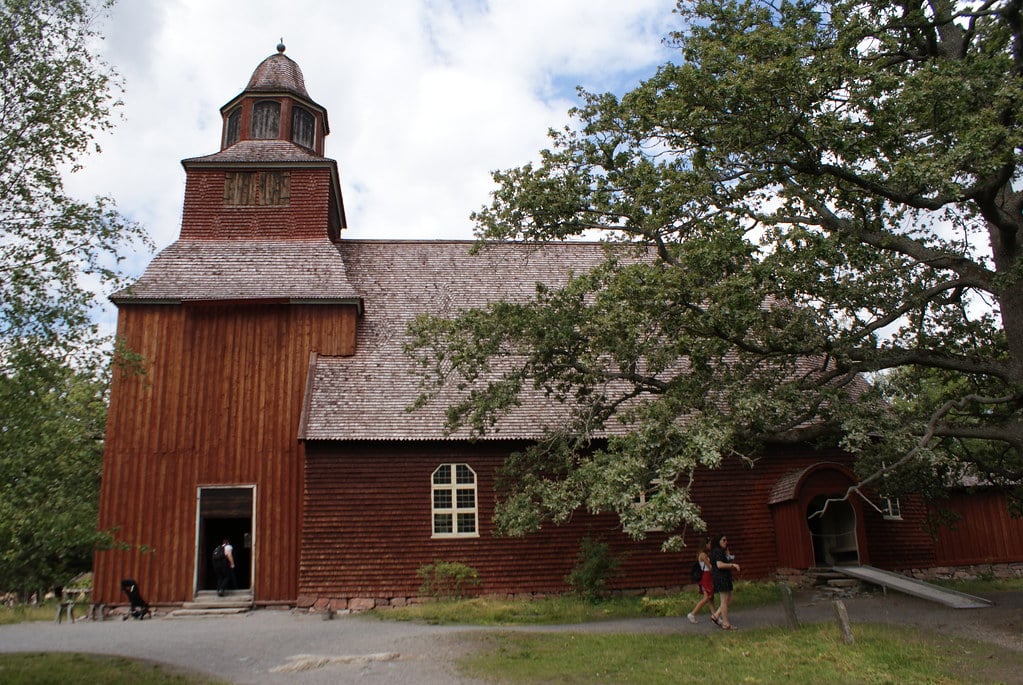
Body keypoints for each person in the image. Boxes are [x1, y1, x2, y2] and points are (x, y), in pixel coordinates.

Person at [709, 533, 740, 630]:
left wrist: (728, 555)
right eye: (724, 540)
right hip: (721, 577)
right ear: (718, 541)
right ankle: (726, 623)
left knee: (729, 598)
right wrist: (732, 565)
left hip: (722, 577)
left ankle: (716, 615)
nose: (726, 542)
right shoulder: (718, 551)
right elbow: (719, 565)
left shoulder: (717, 551)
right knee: (724, 601)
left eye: (726, 540)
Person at [686, 537, 717, 624]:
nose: (711, 545)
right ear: (706, 544)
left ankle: (715, 615)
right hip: (706, 576)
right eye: (710, 544)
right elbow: (709, 566)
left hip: (708, 576)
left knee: (711, 597)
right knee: (707, 597)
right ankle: (692, 614)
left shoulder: (704, 554)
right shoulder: (703, 555)